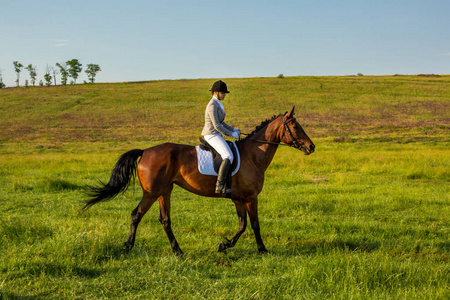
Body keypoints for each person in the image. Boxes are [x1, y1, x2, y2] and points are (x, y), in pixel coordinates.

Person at [201, 80, 240, 194]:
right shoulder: (212, 105)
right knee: (228, 156)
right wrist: (230, 134)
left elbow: (222, 122)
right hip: (211, 134)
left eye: (224, 93)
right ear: (215, 92)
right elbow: (217, 125)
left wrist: (233, 129)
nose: (224, 95)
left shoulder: (218, 103)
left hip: (216, 133)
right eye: (223, 93)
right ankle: (220, 186)